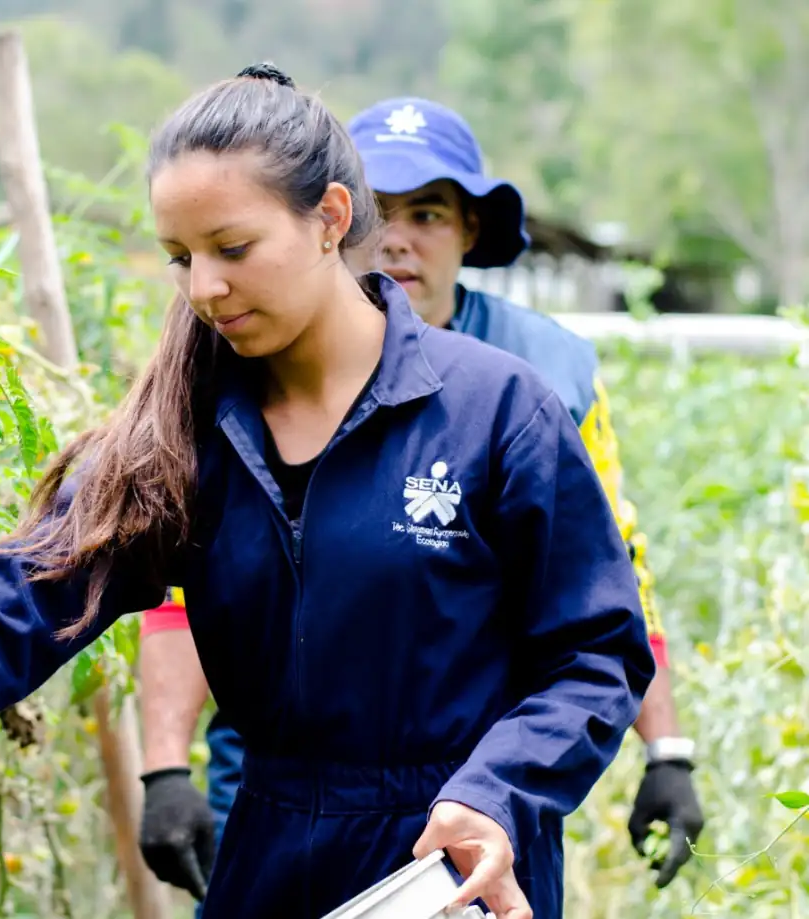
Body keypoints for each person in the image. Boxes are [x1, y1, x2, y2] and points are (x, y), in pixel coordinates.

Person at [0, 66, 654, 919]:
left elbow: (592, 652)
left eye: (231, 249)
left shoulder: (492, 410)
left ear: (329, 220)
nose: (202, 289)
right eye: (181, 258)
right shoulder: (184, 433)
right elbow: (7, 608)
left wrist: (496, 792)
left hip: (452, 862)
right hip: (269, 849)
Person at [134, 95, 705, 909]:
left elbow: (606, 588)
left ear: (471, 229)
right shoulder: (234, 367)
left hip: (473, 807)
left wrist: (666, 752)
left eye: (428, 212)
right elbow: (180, 582)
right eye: (382, 210)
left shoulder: (539, 377)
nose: (397, 237)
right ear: (335, 219)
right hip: (270, 793)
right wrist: (164, 768)